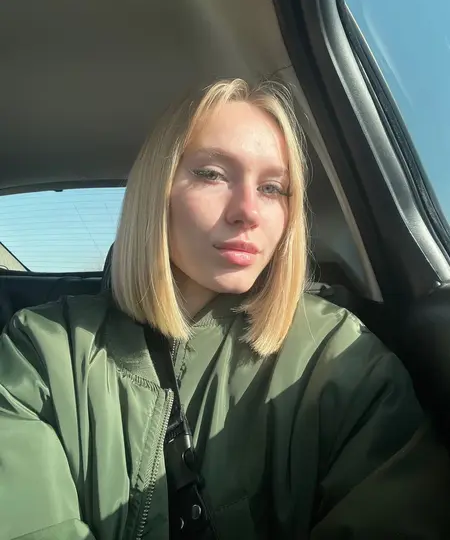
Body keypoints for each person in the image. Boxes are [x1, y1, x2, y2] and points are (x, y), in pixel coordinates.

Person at [1, 78, 449, 540]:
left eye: (272, 187)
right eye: (213, 174)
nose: (247, 211)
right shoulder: (39, 351)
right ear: (155, 192)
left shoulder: (342, 360)